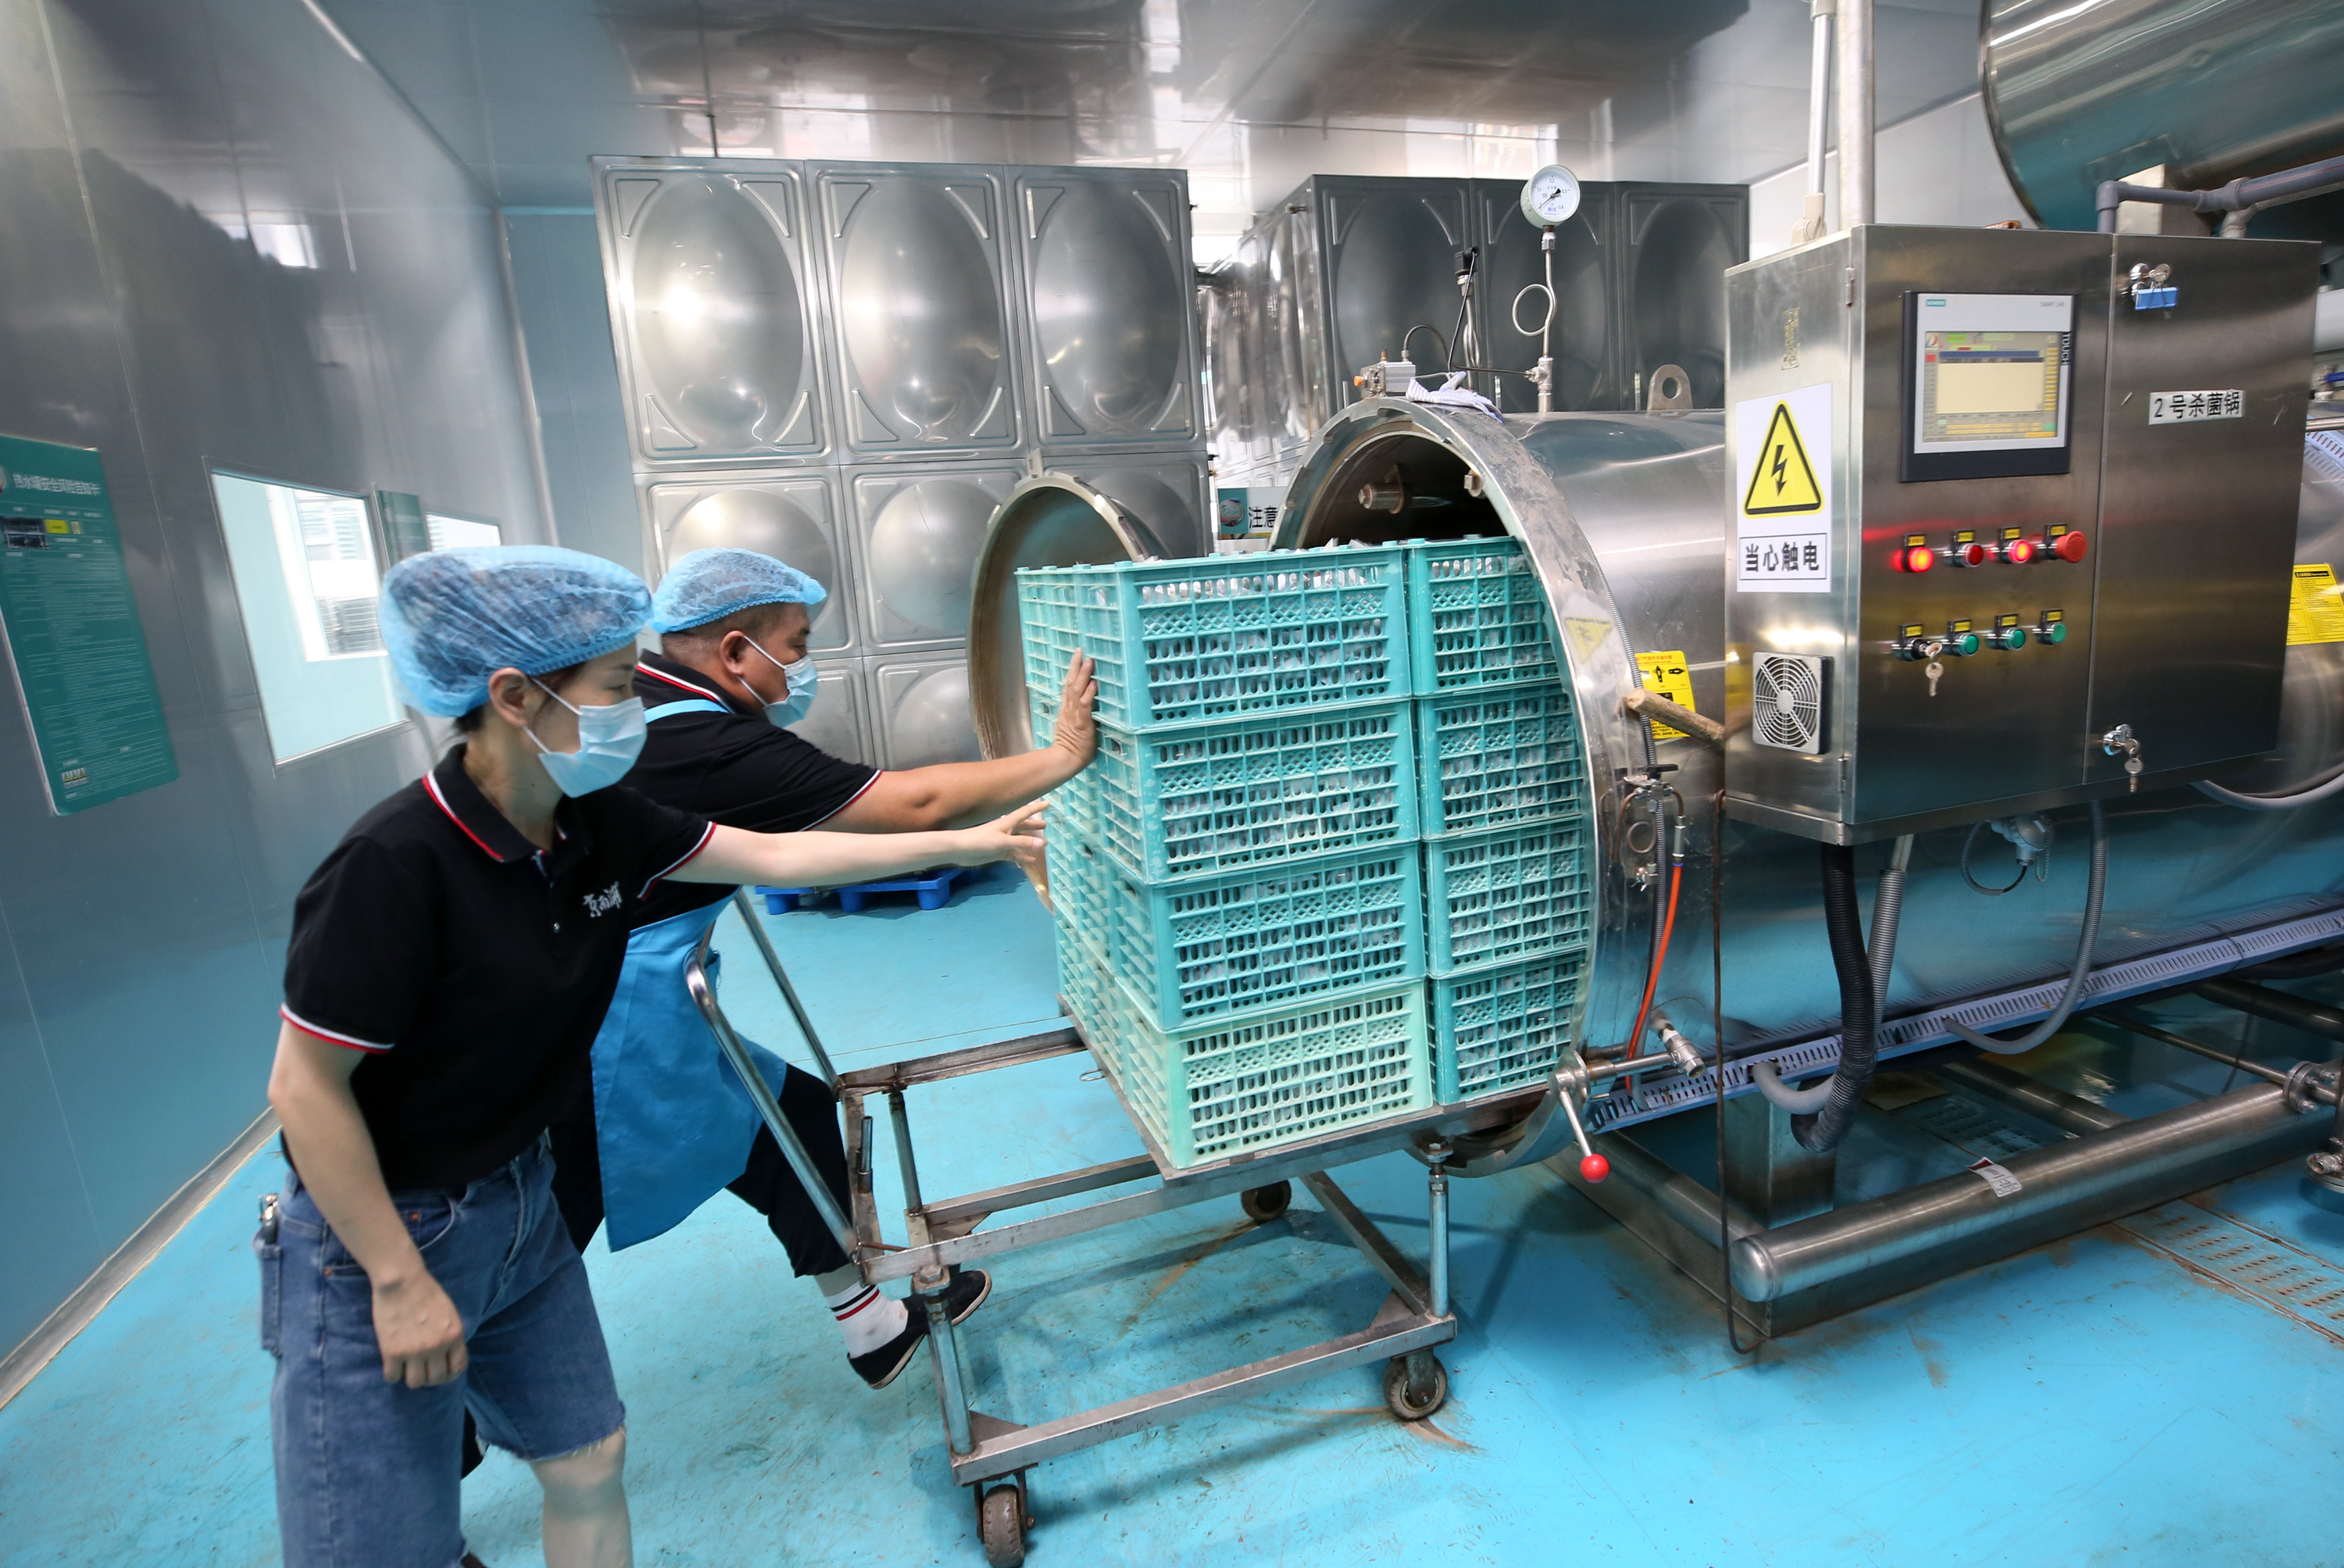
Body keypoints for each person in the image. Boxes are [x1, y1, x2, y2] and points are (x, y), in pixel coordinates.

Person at [259, 546, 1044, 1568]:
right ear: (515, 696)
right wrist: (398, 1278)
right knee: (389, 1541)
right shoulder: (393, 864)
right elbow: (303, 1088)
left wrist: (983, 842)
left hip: (519, 1197)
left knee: (590, 1459)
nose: (637, 710)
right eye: (617, 687)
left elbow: (779, 853)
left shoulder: (595, 822)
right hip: (384, 1227)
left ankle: (861, 1317)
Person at [540, 546, 1098, 1393]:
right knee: (520, 1251)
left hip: (637, 997)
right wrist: (1059, 756)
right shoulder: (700, 745)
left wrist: (967, 845)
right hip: (589, 1028)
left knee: (791, 1118)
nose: (805, 664)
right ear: (736, 651)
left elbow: (781, 857)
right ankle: (432, 1449)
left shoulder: (657, 707)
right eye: (797, 644)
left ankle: (874, 1329)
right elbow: (907, 803)